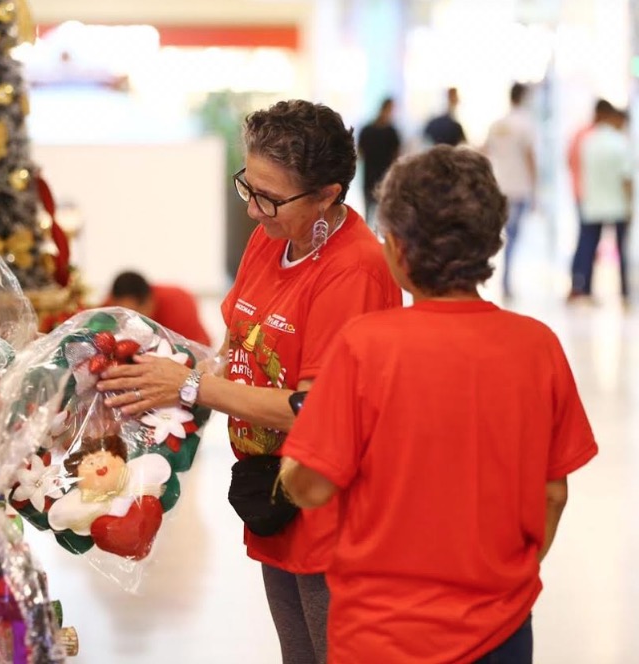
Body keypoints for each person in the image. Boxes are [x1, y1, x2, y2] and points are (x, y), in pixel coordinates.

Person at [97, 99, 402, 664]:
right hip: (274, 493)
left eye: (271, 197)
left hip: (334, 510)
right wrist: (157, 383)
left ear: (328, 194)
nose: (255, 210)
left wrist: (189, 387)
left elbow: (319, 408)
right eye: (248, 187)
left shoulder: (355, 270)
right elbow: (238, 342)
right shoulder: (271, 238)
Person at [279, 146, 598, 663]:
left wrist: (293, 459)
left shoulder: (364, 346)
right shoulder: (537, 347)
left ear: (398, 249)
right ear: (492, 240)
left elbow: (311, 486)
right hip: (501, 627)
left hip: (381, 632)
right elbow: (553, 493)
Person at [569, 105, 633, 304]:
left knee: (588, 246)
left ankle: (585, 289)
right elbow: (626, 178)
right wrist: (630, 205)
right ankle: (624, 293)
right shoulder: (621, 142)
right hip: (617, 204)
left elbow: (577, 167)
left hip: (593, 202)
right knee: (621, 250)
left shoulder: (588, 141)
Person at [483, 82, 538, 299]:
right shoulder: (526, 124)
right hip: (520, 187)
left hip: (500, 186)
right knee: (514, 237)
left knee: (505, 236)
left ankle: (502, 279)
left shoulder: (497, 124)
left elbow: (485, 151)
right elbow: (530, 157)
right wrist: (536, 188)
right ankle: (506, 280)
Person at [106, 270, 212, 346]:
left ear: (149, 302)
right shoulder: (109, 309)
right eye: (124, 315)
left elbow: (197, 351)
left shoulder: (178, 302)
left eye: (136, 313)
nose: (130, 321)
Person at [358, 96, 401, 224]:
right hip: (383, 178)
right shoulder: (391, 132)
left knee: (369, 214)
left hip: (371, 177)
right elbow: (396, 157)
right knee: (382, 216)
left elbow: (359, 153)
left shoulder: (367, 130)